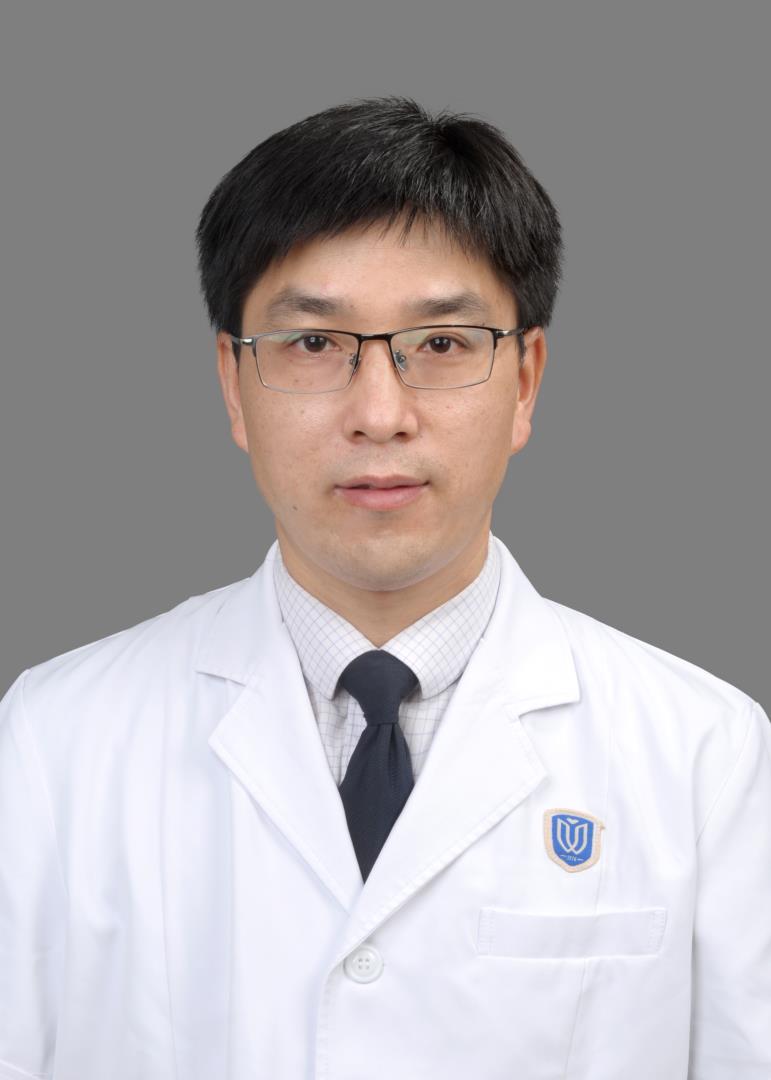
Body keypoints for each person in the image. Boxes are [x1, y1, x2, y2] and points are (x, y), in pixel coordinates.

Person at [0, 95, 768, 1080]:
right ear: (233, 384)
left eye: (441, 344)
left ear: (525, 380)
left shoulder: (706, 754)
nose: (379, 413)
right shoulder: (53, 743)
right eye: (314, 344)